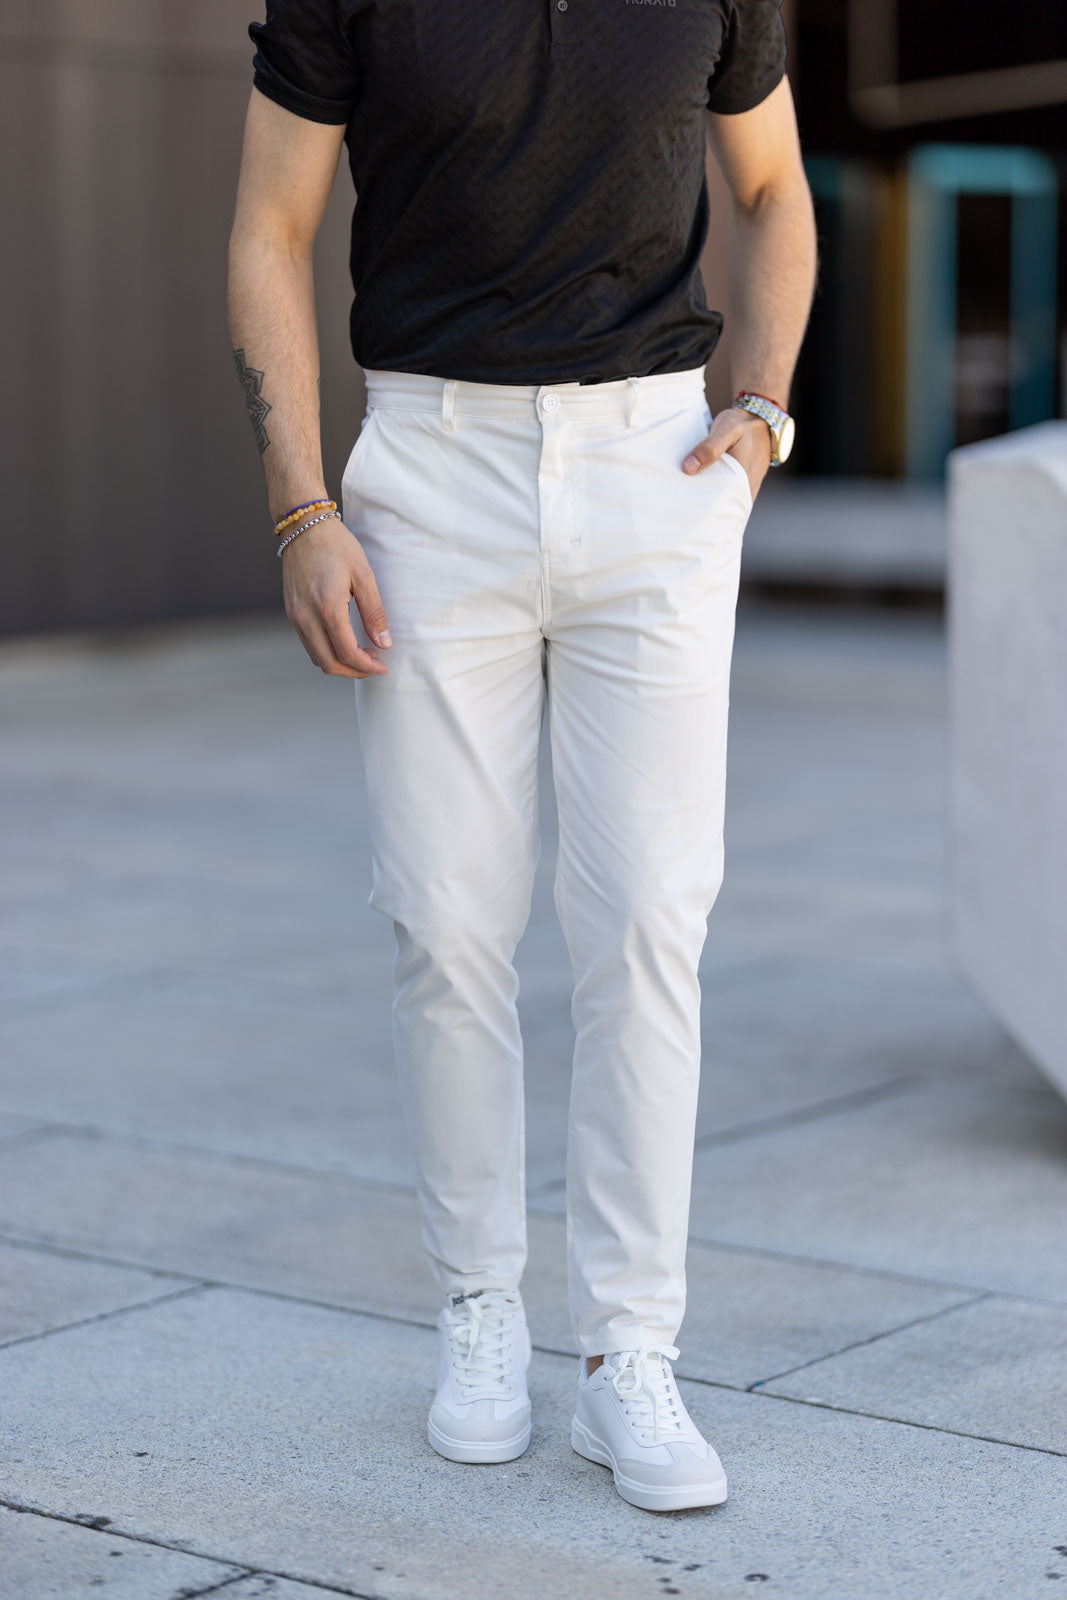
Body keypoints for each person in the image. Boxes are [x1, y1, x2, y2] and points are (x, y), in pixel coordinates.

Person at [228, 0, 816, 1513]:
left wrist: (760, 416)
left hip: (655, 466)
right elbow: (271, 227)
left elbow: (770, 188)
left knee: (649, 924)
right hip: (431, 475)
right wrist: (301, 508)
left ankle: (632, 1351)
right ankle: (479, 1308)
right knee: (444, 923)